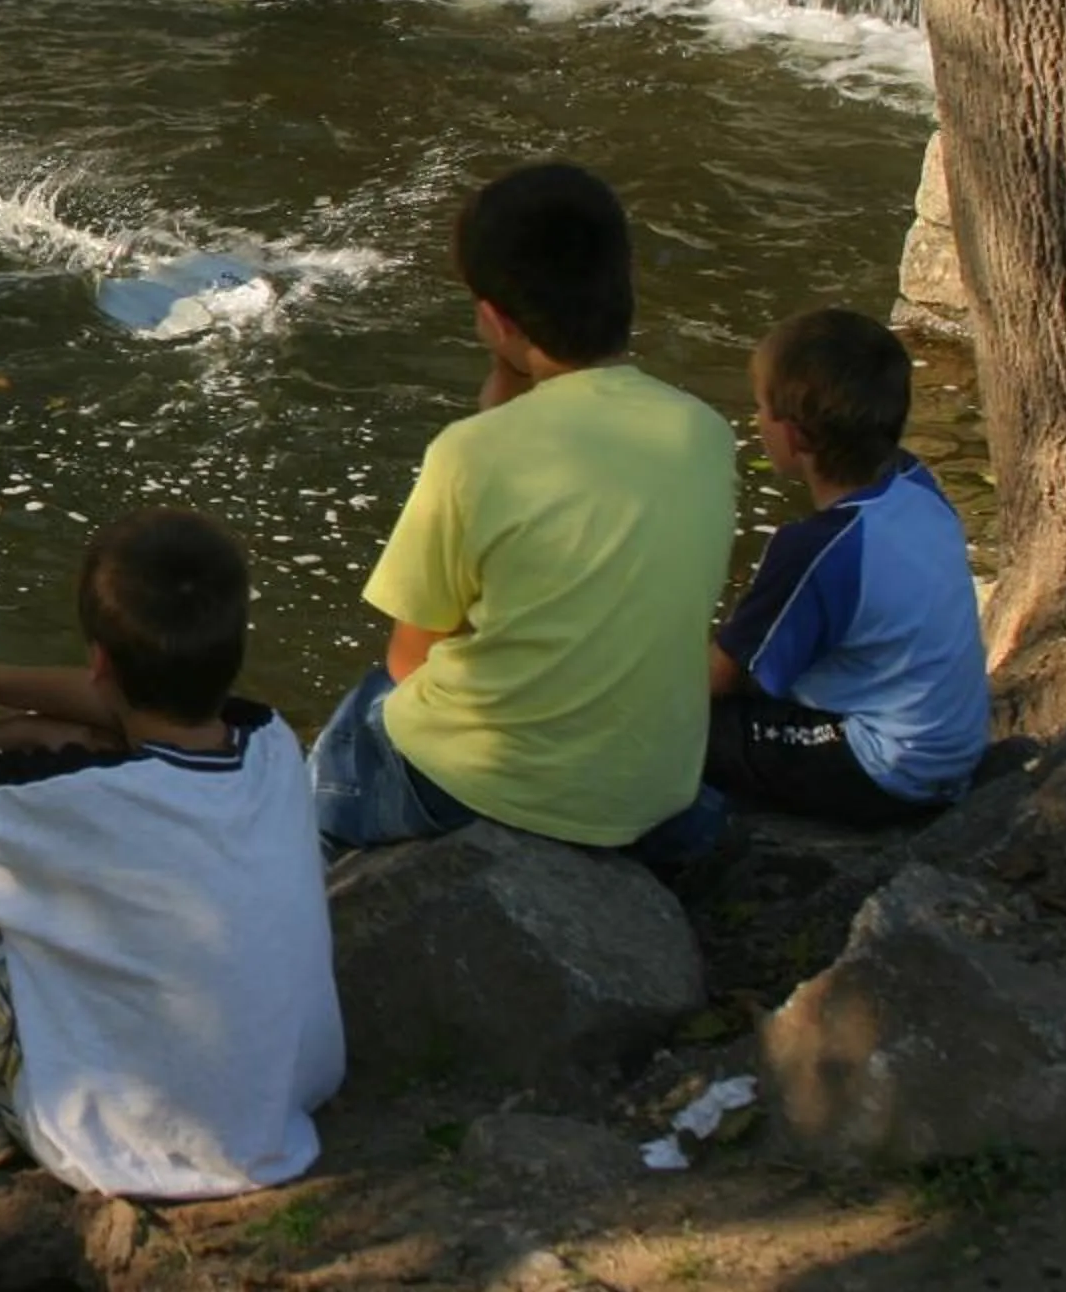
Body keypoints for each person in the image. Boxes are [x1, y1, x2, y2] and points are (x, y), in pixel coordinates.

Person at [0, 508, 343, 1196]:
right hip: (285, 1103)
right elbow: (132, 708)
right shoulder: (271, 742)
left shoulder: (63, 802)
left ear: (99, 662)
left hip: (114, 1143)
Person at [309, 162, 737, 857]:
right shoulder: (706, 434)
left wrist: (496, 409)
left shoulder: (470, 455)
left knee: (349, 737)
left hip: (491, 786)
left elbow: (408, 662)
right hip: (652, 791)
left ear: (494, 321)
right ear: (625, 280)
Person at [706, 308, 988, 825]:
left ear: (795, 437)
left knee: (693, 723)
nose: (756, 419)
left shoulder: (818, 549)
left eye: (761, 408)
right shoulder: (916, 484)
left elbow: (719, 678)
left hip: (888, 771)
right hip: (952, 748)